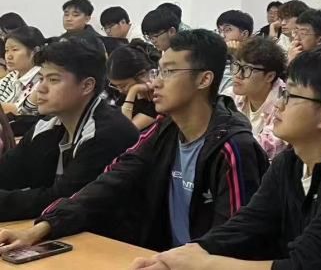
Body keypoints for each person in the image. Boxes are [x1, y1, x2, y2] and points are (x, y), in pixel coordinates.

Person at [132, 48, 321, 270]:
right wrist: (176, 258)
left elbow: (306, 266)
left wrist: (203, 264)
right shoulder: (291, 162)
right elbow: (248, 225)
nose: (278, 105)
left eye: (290, 96)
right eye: (283, 93)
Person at [0, 29, 269, 252]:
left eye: (168, 72)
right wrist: (44, 227)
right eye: (157, 72)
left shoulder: (232, 147)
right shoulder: (164, 131)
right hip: (157, 258)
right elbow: (111, 180)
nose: (156, 83)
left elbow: (234, 238)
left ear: (204, 79)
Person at [0, 38, 140, 221]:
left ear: (86, 86)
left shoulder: (109, 133)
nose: (40, 89)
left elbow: (64, 200)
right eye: (41, 78)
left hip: (107, 233)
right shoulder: (48, 124)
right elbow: (9, 171)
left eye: (53, 80)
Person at [232, 36, 287, 160]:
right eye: (236, 66)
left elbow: (267, 147)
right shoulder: (231, 95)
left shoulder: (285, 102)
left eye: (247, 69)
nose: (238, 75)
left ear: (269, 76)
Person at [107, 43, 159, 130]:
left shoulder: (157, 98)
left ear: (142, 75)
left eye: (123, 86)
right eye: (116, 86)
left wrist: (133, 90)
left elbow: (125, 130)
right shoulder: (125, 94)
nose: (120, 90)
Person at [0, 26, 45, 119]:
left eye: (15, 50)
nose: (8, 56)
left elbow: (25, 114)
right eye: (7, 50)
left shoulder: (42, 79)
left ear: (34, 51)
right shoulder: (11, 76)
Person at [216, 10, 255, 98]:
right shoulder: (221, 52)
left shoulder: (255, 57)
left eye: (227, 30)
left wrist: (235, 55)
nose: (222, 35)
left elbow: (231, 90)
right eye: (219, 31)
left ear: (244, 34)